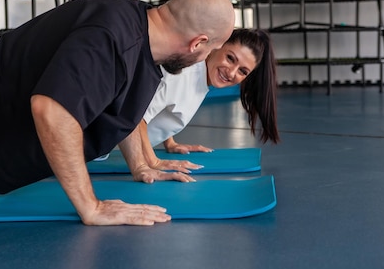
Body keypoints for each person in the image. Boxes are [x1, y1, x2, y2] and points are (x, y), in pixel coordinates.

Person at [0, 0, 235, 226]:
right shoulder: (112, 37)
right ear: (198, 43)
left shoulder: (140, 32)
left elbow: (122, 105)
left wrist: (142, 165)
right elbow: (52, 110)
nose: (204, 60)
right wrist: (91, 206)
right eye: (211, 51)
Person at [109, 28, 279, 182]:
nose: (231, 72)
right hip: (97, 148)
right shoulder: (182, 73)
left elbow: (161, 102)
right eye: (230, 58)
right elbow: (134, 116)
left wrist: (170, 142)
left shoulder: (201, 76)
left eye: (243, 71)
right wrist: (151, 163)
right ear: (217, 46)